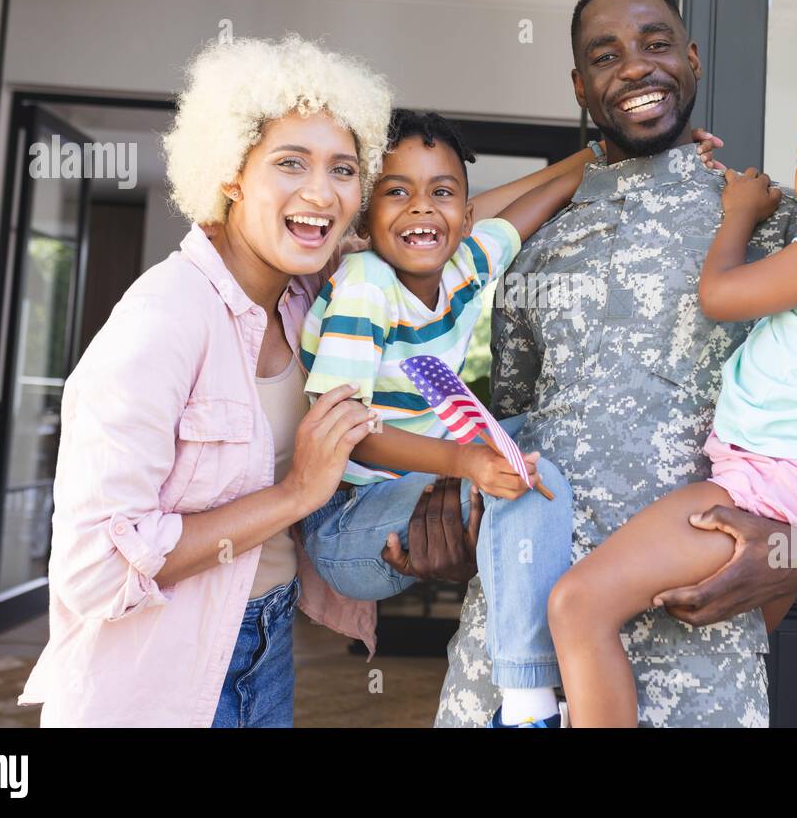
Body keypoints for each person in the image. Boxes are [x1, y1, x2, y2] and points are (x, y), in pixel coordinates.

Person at [425, 0, 797, 727]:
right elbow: (508, 424)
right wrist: (451, 489)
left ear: (692, 61)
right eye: (606, 56)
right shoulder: (536, 245)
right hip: (517, 637)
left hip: (699, 650)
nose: (634, 67)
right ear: (580, 84)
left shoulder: (787, 223)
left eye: (656, 44)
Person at [548, 49, 797, 726]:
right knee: (730, 643)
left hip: (761, 483)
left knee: (577, 603)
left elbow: (720, 295)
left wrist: (738, 210)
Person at [297, 109, 722, 727]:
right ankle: (527, 706)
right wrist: (467, 459)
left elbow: (544, 195)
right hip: (348, 525)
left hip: (419, 486)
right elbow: (347, 437)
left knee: (544, 446)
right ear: (364, 216)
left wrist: (622, 153)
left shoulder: (466, 266)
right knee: (513, 473)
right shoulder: (365, 283)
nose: (421, 209)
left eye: (442, 193)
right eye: (396, 193)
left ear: (467, 216)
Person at [17, 34, 390, 726]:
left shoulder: (309, 300)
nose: (321, 191)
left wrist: (591, 160)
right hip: (156, 673)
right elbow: (96, 567)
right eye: (289, 162)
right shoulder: (163, 318)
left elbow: (440, 232)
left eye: (343, 168)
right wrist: (296, 493)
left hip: (266, 643)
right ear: (230, 174)